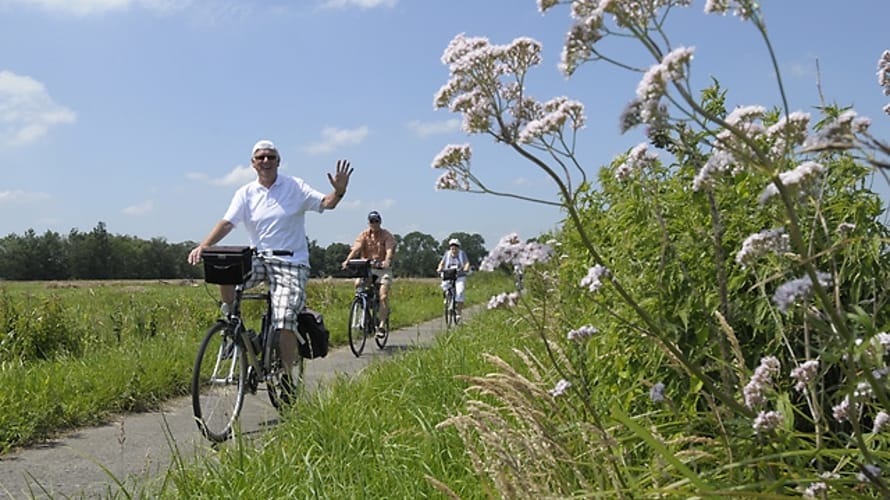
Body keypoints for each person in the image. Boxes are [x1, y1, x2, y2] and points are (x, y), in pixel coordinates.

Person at [187, 139, 352, 389]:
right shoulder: (245, 193)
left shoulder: (294, 186)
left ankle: (286, 377)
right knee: (225, 269)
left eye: (271, 157)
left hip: (290, 261)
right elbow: (228, 222)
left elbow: (325, 203)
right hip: (260, 257)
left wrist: (338, 191)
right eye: (260, 157)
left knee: (284, 317)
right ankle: (231, 324)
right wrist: (204, 245)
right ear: (253, 163)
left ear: (279, 161)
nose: (266, 161)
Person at [341, 210, 396, 338]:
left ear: (380, 222)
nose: (374, 224)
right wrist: (347, 260)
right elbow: (356, 248)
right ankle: (364, 310)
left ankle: (381, 326)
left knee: (383, 296)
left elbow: (389, 249)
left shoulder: (386, 235)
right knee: (358, 284)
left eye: (376, 221)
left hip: (382, 269)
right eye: (372, 221)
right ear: (368, 222)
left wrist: (387, 260)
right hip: (367, 268)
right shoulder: (364, 235)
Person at [436, 238, 471, 319]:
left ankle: (458, 312)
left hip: (460, 276)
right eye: (452, 248)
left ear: (458, 248)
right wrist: (439, 268)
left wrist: (466, 268)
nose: (454, 250)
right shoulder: (447, 254)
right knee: (445, 286)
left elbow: (467, 263)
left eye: (455, 248)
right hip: (448, 275)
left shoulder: (462, 254)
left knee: (460, 292)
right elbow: (442, 263)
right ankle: (447, 298)